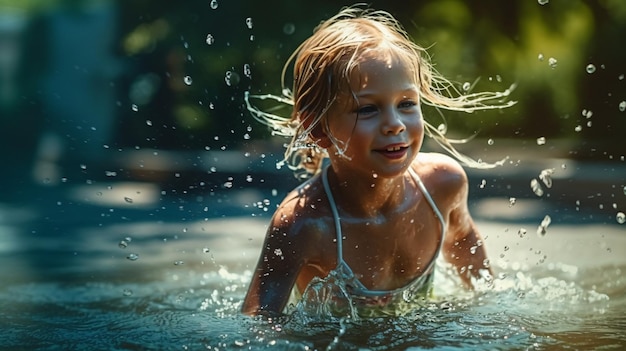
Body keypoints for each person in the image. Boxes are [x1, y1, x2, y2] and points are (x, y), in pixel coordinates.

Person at [242, 5, 514, 318]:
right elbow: (258, 326)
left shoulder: (443, 186)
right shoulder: (304, 225)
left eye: (407, 103)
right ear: (318, 129)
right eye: (368, 109)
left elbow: (481, 279)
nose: (395, 124)